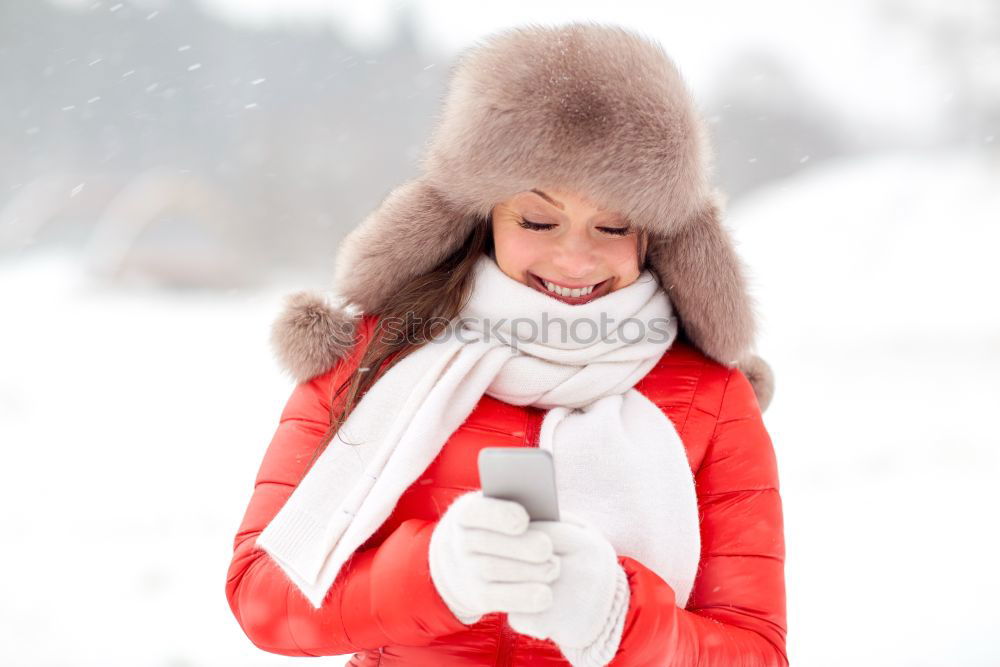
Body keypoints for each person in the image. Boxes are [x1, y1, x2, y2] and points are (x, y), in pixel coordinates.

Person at [225, 21, 786, 666]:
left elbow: (756, 650)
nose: (575, 258)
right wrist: (435, 575)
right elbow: (263, 601)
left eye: (612, 224)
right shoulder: (371, 360)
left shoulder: (713, 399)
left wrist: (618, 615)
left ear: (654, 236)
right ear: (481, 218)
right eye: (539, 219)